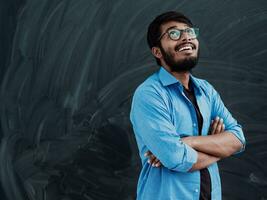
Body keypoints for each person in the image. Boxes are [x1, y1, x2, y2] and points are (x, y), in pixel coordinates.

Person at [130, 11, 246, 200]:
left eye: (189, 32)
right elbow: (176, 158)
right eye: (174, 34)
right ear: (157, 51)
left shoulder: (206, 90)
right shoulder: (149, 94)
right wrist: (219, 148)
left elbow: (238, 139)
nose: (186, 38)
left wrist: (188, 142)